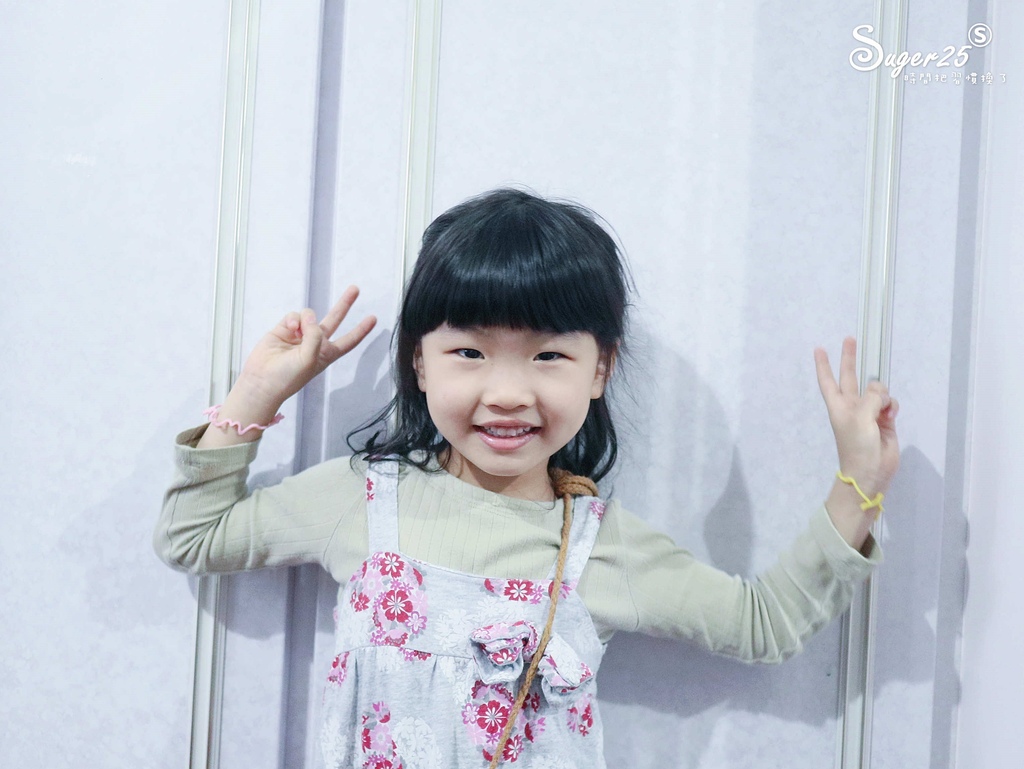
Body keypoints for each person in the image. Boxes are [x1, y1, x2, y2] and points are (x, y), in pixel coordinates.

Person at [155, 188, 899, 768]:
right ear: (419, 361)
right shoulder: (364, 499)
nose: (508, 392)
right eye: (469, 353)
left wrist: (858, 485)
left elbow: (764, 624)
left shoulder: (600, 549)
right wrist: (257, 393)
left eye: (548, 356)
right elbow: (194, 536)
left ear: (599, 369)